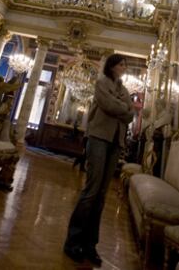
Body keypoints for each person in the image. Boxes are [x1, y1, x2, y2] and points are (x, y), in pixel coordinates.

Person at [63, 53, 134, 265]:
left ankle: (90, 244)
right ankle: (73, 241)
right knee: (91, 190)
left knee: (102, 195)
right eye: (121, 64)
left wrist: (121, 107)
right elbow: (111, 106)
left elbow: (131, 115)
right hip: (98, 137)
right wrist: (122, 108)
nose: (124, 67)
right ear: (111, 66)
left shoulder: (124, 89)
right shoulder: (101, 82)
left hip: (116, 141)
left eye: (125, 65)